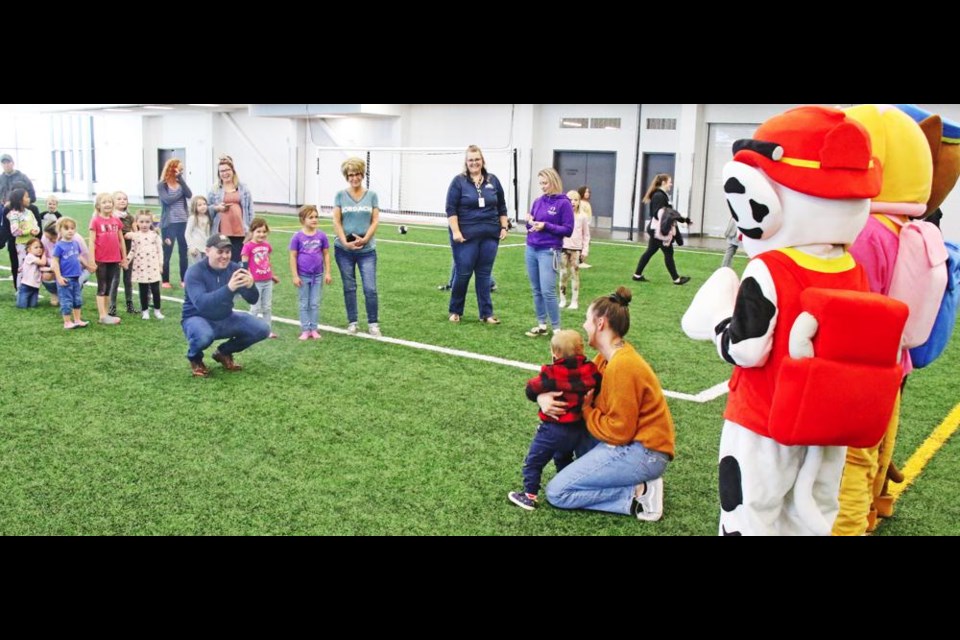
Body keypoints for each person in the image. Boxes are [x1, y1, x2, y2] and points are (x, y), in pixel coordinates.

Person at [543, 287, 676, 522]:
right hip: (635, 446)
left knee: (557, 492)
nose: (584, 326)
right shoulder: (607, 358)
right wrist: (544, 398)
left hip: (644, 452)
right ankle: (635, 484)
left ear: (601, 323)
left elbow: (619, 431)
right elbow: (574, 385)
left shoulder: (622, 365)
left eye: (587, 319)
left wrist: (586, 410)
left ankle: (639, 494)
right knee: (572, 435)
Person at [507, 330, 602, 510]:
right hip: (578, 428)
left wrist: (540, 395)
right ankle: (567, 484)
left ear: (554, 353)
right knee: (563, 457)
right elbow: (598, 386)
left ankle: (529, 495)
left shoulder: (551, 373)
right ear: (581, 349)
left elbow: (531, 389)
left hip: (553, 428)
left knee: (534, 461)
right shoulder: (591, 370)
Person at [181, 233, 270, 377]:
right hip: (196, 318)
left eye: (228, 252)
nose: (225, 256)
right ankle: (195, 358)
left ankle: (223, 352)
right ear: (208, 251)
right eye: (220, 251)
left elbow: (253, 300)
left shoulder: (234, 269)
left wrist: (251, 286)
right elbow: (202, 304)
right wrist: (229, 288)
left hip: (225, 317)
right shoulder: (194, 272)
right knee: (204, 336)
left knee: (262, 329)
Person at [445, 145, 509, 324]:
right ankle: (455, 310)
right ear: (466, 162)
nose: (474, 163)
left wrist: (503, 227)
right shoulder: (458, 182)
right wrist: (456, 231)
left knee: (484, 274)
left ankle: (486, 314)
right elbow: (450, 209)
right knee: (463, 273)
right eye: (470, 160)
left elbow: (502, 205)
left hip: (490, 235)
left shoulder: (493, 180)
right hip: (465, 236)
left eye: (477, 159)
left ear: (482, 161)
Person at [332, 157, 381, 337]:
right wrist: (345, 242)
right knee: (349, 287)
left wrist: (366, 238)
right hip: (344, 250)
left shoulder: (372, 196)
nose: (354, 178)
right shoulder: (340, 195)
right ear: (347, 176)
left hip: (367, 251)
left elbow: (375, 220)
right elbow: (336, 221)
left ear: (363, 174)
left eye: (357, 174)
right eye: (351, 175)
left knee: (370, 288)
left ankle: (373, 323)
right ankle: (353, 322)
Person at [524, 168, 574, 337]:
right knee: (536, 289)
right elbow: (530, 225)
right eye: (541, 183)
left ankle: (557, 328)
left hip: (549, 250)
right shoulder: (538, 201)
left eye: (545, 183)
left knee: (547, 290)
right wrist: (530, 222)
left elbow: (568, 230)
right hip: (532, 248)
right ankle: (541, 324)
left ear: (553, 182)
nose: (543, 186)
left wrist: (546, 225)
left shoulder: (564, 203)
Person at [633, 174, 691, 285]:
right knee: (668, 252)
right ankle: (676, 279)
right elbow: (661, 214)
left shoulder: (661, 195)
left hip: (655, 229)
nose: (671, 184)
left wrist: (683, 220)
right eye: (670, 182)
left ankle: (637, 275)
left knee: (650, 251)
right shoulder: (659, 196)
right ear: (663, 182)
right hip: (658, 231)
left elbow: (668, 213)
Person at [289, 205, 331, 341]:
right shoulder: (297, 237)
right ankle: (305, 329)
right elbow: (293, 256)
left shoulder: (322, 236)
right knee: (304, 302)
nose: (314, 220)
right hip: (303, 276)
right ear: (302, 219)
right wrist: (295, 275)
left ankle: (314, 328)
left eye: (316, 217)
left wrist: (328, 273)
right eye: (311, 217)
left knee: (314, 303)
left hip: (317, 276)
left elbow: (326, 254)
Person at [88, 192, 128, 325]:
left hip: (114, 259)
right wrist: (91, 260)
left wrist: (124, 258)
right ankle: (102, 315)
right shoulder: (95, 221)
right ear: (98, 205)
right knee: (102, 286)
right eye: (104, 202)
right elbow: (92, 241)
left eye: (110, 202)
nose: (108, 204)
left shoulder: (116, 220)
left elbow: (121, 239)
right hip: (101, 259)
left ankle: (105, 314)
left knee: (109, 286)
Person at [208, 154, 254, 263]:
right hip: (222, 232)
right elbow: (207, 208)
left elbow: (250, 209)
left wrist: (251, 230)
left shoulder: (243, 188)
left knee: (239, 260)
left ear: (233, 170)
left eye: (227, 170)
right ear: (218, 174)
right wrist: (217, 208)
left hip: (240, 231)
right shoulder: (214, 189)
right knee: (224, 260)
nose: (225, 173)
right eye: (221, 171)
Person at [51, 217, 93, 329]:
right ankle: (67, 322)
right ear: (60, 230)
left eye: (72, 228)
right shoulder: (59, 245)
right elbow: (54, 261)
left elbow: (78, 256)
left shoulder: (75, 243)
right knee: (66, 301)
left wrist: (87, 266)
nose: (70, 231)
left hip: (76, 277)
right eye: (66, 228)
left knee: (77, 300)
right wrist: (59, 277)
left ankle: (78, 320)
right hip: (65, 278)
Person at [242, 217, 280, 338]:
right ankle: (250, 330)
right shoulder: (248, 247)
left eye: (264, 231)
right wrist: (248, 277)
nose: (261, 234)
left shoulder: (266, 246)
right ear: (252, 232)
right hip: (255, 282)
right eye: (258, 231)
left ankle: (267, 330)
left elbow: (267, 260)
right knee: (255, 307)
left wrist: (271, 275)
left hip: (267, 281)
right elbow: (244, 263)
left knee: (267, 307)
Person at [157, 158, 192, 289]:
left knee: (183, 252)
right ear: (172, 168)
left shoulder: (181, 183)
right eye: (179, 169)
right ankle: (165, 280)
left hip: (183, 222)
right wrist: (180, 192)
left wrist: (181, 181)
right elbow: (167, 200)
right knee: (167, 252)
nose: (181, 171)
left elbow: (189, 194)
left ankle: (184, 279)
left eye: (182, 170)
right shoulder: (162, 185)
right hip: (169, 224)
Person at [126, 211, 165, 320]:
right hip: (140, 267)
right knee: (143, 291)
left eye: (147, 222)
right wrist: (126, 261)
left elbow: (160, 251)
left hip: (153, 267)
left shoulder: (155, 236)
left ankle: (157, 311)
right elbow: (132, 251)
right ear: (137, 222)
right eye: (141, 222)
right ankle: (145, 311)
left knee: (156, 290)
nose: (144, 224)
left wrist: (160, 265)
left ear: (151, 223)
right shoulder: (136, 236)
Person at [559, 189, 591, 310]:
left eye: (575, 200)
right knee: (563, 274)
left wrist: (585, 250)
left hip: (576, 249)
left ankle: (574, 301)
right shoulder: (562, 215)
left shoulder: (582, 217)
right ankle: (562, 299)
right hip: (563, 248)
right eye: (570, 199)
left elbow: (586, 235)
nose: (572, 202)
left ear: (579, 201)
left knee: (574, 274)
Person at [4, 188, 39, 288]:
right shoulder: (13, 214)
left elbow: (35, 224)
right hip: (22, 245)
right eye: (27, 197)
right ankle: (20, 290)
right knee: (22, 267)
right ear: (20, 200)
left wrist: (36, 230)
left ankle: (32, 290)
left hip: (32, 245)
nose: (29, 199)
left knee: (33, 267)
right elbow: (14, 231)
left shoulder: (30, 212)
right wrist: (29, 231)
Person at [108, 190, 136, 315]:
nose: (122, 201)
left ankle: (130, 305)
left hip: (129, 250)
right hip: (116, 250)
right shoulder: (111, 217)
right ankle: (112, 307)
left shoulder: (129, 217)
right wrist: (127, 235)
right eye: (119, 199)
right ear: (113, 201)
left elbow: (136, 231)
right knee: (115, 279)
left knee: (128, 279)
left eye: (124, 198)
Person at [16, 237, 45, 308]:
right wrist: (44, 254)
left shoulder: (36, 258)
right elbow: (43, 263)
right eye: (36, 247)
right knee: (22, 306)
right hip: (26, 285)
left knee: (33, 306)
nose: (39, 249)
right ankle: (20, 296)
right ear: (29, 250)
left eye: (40, 247)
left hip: (35, 286)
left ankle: (28, 300)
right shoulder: (30, 257)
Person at [185, 196, 212, 266]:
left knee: (205, 268)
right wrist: (191, 247)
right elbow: (187, 233)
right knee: (196, 268)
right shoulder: (193, 218)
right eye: (199, 205)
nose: (203, 206)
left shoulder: (207, 218)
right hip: (196, 248)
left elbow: (208, 233)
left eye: (204, 204)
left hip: (205, 248)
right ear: (195, 207)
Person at [577, 186, 593, 268]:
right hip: (583, 225)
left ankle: (581, 260)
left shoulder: (587, 203)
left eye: (588, 192)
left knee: (585, 242)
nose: (587, 194)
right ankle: (579, 261)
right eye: (585, 192)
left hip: (586, 225)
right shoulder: (581, 203)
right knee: (582, 243)